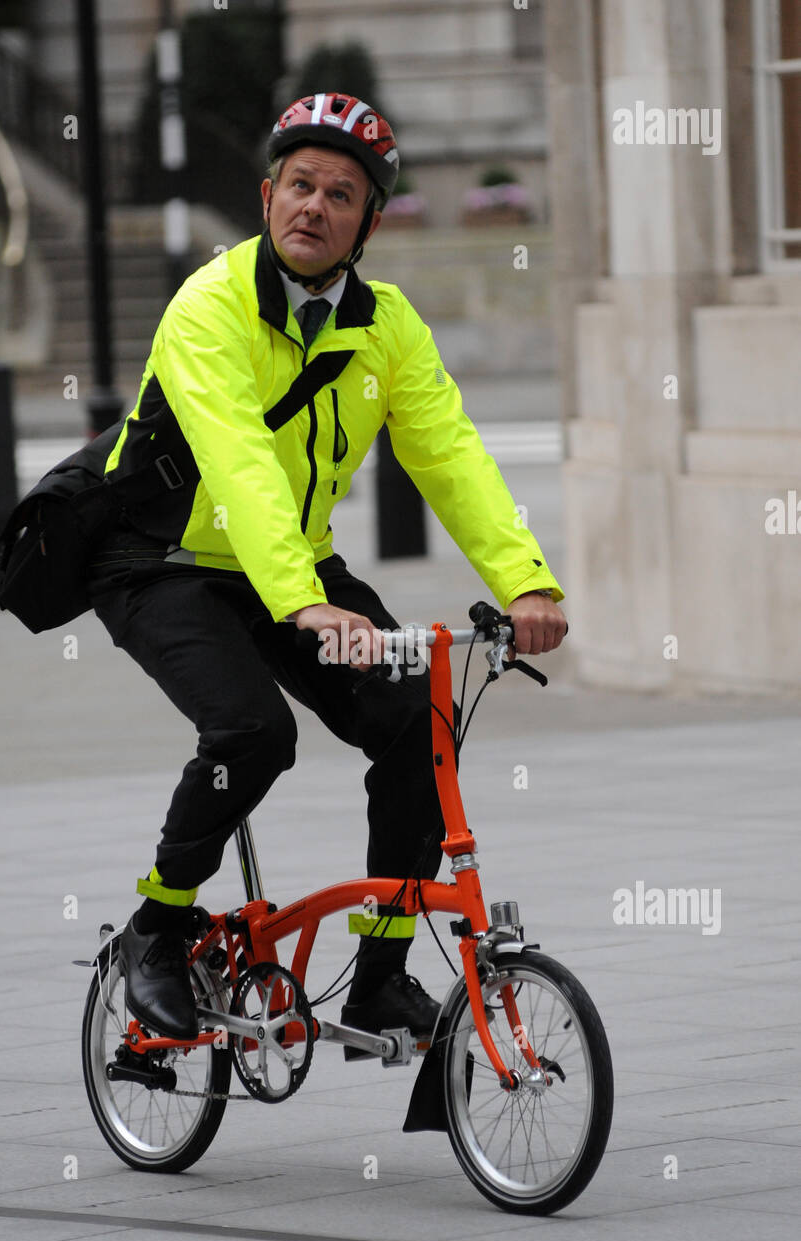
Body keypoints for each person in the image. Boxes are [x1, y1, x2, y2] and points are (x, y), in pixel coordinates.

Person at [86, 92, 566, 1046]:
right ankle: (157, 925)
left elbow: (450, 456)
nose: (314, 206)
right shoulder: (208, 307)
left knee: (416, 723)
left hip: (292, 570)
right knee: (252, 731)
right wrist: (305, 606)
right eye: (299, 186)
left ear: (369, 223)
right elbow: (238, 466)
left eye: (340, 195)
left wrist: (526, 580)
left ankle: (379, 977)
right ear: (267, 197)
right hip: (163, 563)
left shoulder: (385, 325)